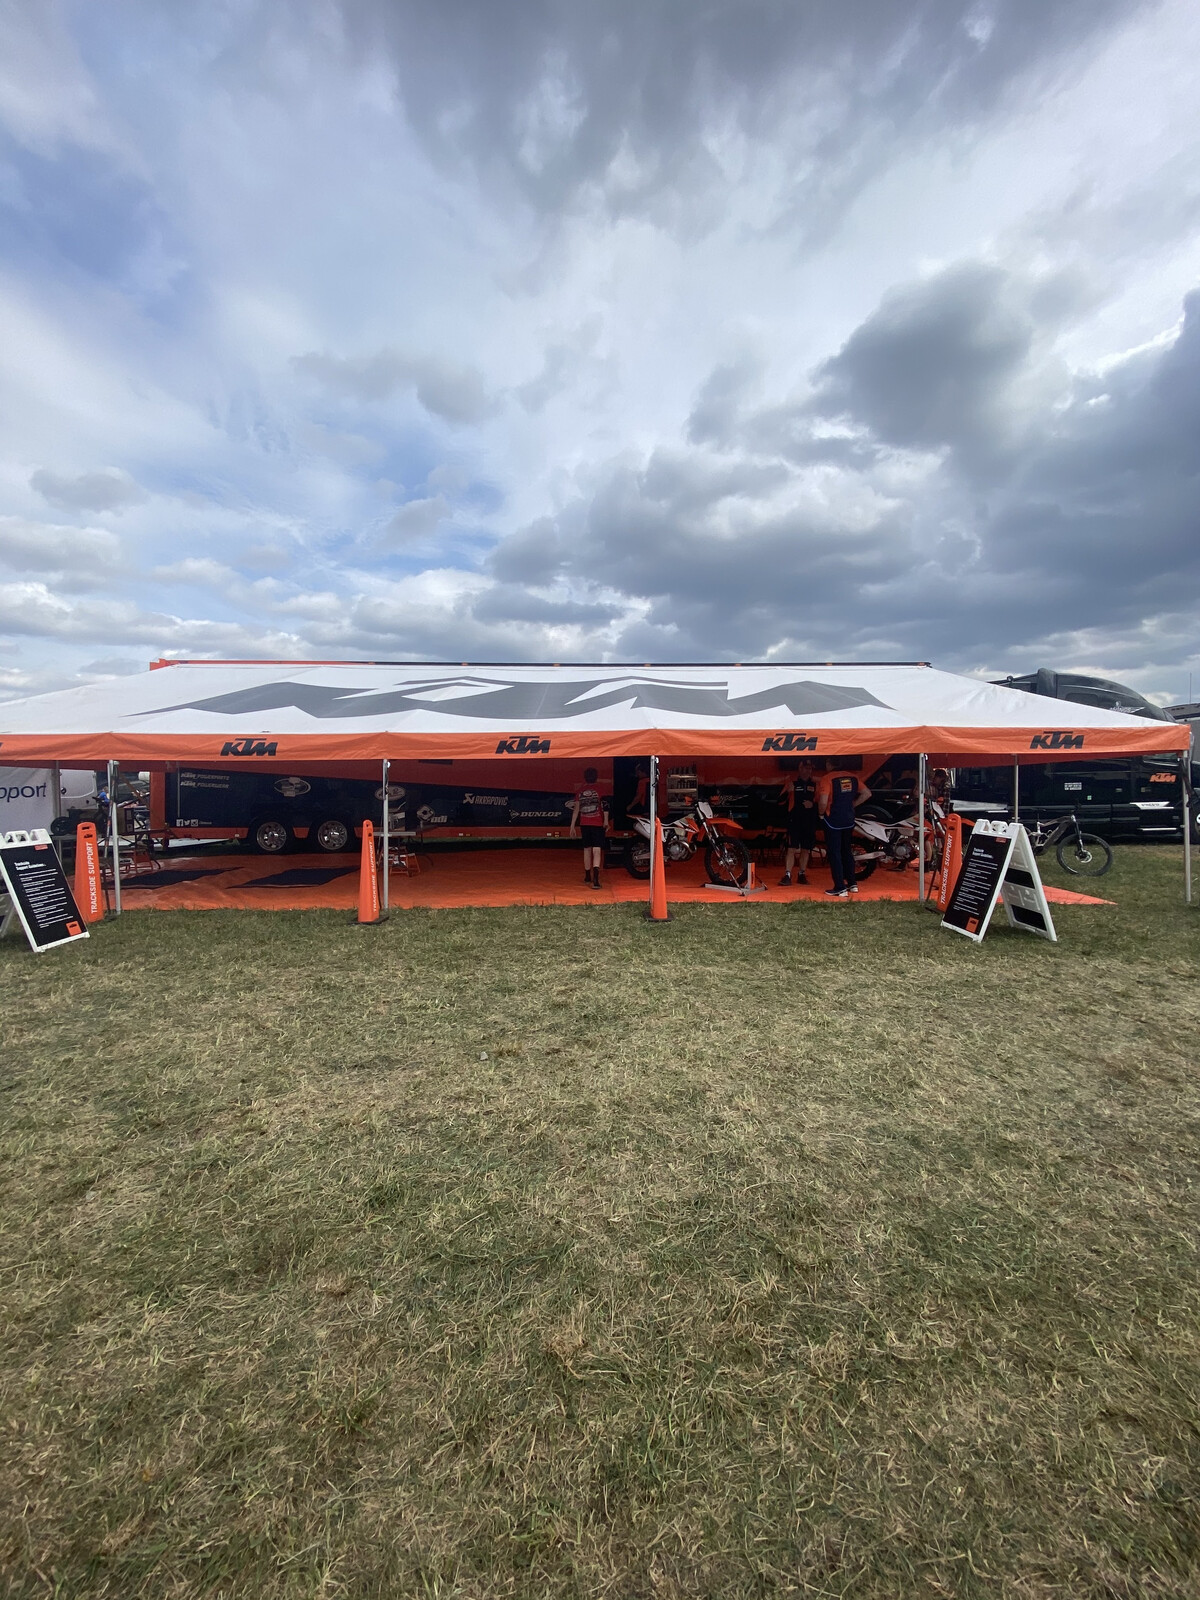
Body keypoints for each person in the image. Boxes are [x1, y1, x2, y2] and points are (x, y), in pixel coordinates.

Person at [817, 767, 872, 899]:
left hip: (833, 820)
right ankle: (852, 883)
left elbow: (823, 801)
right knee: (846, 850)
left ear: (828, 764)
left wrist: (820, 814)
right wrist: (853, 805)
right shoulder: (853, 777)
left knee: (834, 853)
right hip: (848, 819)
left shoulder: (827, 778)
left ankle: (840, 887)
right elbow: (867, 793)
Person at [778, 759, 818, 885]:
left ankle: (802, 874)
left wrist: (812, 804)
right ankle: (787, 875)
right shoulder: (792, 783)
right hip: (794, 821)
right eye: (806, 768)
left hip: (809, 821)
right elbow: (779, 801)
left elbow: (821, 802)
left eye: (810, 768)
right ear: (800, 769)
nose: (808, 770)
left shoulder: (815, 785)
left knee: (806, 849)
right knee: (791, 848)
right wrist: (788, 791)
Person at [569, 767, 609, 889]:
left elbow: (576, 810)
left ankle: (587, 876)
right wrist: (606, 821)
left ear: (585, 778)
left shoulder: (580, 791)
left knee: (587, 850)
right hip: (597, 823)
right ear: (596, 777)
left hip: (584, 823)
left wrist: (572, 826)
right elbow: (605, 806)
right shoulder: (600, 790)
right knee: (596, 850)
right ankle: (596, 879)